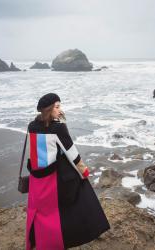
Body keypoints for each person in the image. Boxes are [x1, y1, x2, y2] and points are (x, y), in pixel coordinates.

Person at [25, 93, 110, 250]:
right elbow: (73, 154)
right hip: (51, 180)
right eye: (57, 107)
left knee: (41, 214)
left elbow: (37, 151)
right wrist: (84, 172)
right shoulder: (58, 128)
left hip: (37, 179)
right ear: (49, 109)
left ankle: (38, 241)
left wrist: (58, 119)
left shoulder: (32, 126)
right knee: (78, 195)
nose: (60, 110)